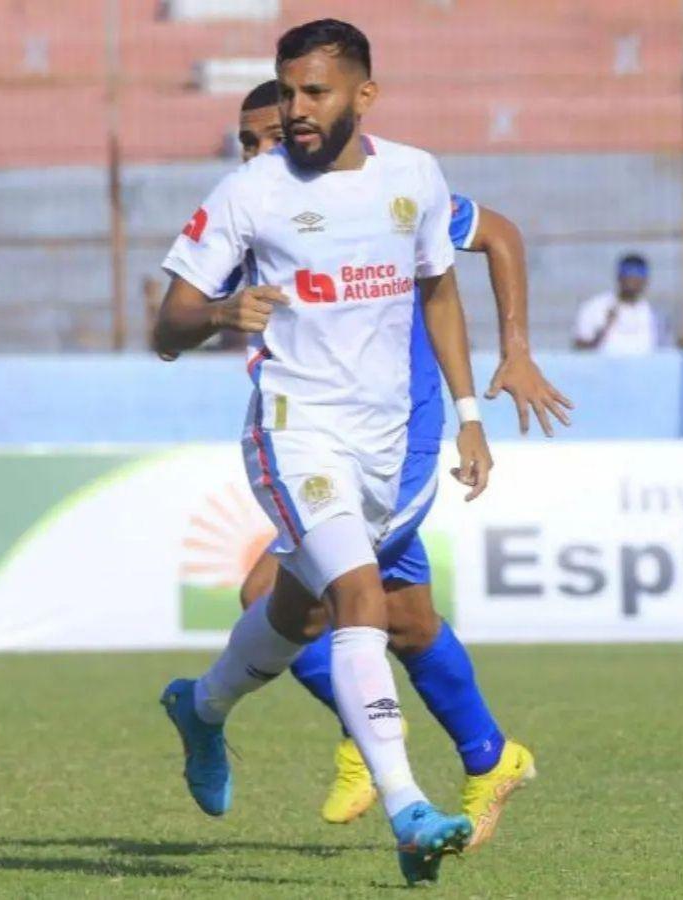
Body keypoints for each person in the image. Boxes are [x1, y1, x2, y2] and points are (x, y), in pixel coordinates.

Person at [154, 20, 518, 885]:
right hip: (293, 428)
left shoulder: (414, 178)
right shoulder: (251, 191)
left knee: (296, 611)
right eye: (286, 92)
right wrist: (214, 317)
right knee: (364, 598)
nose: (295, 110)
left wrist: (468, 412)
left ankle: (202, 709)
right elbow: (166, 325)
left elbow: (438, 293)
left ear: (364, 94)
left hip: (389, 440)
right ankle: (409, 807)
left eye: (313, 92)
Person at [212, 80, 570, 844]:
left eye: (268, 136)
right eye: (245, 142)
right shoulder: (259, 211)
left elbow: (499, 234)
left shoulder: (388, 190)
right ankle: (490, 757)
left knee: (299, 602)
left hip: (395, 438)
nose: (257, 153)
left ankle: (365, 736)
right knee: (403, 620)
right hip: (326, 436)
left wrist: (515, 352)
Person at [573, 253, 672, 353]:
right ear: (619, 278)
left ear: (645, 281)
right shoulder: (596, 307)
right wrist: (604, 329)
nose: (633, 283)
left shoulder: (654, 314)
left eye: (638, 278)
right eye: (629, 277)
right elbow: (579, 348)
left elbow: (664, 350)